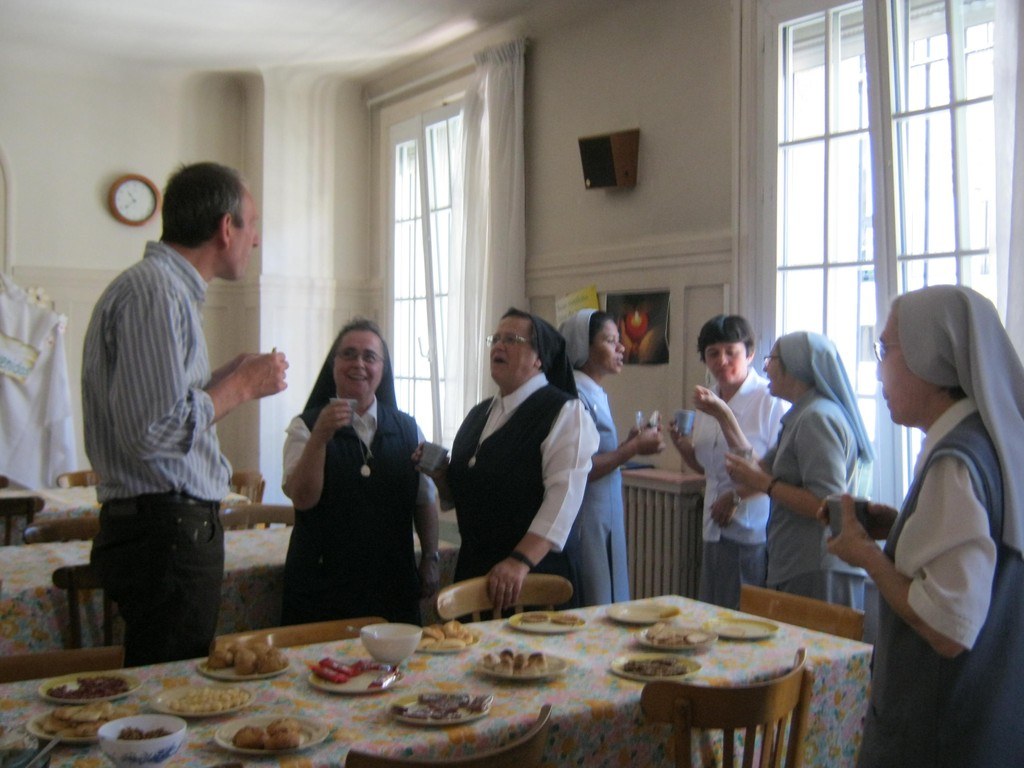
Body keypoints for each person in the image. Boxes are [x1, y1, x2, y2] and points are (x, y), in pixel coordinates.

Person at [84, 162, 289, 666]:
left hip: (164, 530)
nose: (256, 239)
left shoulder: (161, 290)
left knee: (168, 681)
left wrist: (225, 377)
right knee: (169, 689)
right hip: (166, 533)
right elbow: (154, 431)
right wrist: (241, 386)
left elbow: (163, 412)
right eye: (252, 224)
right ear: (225, 228)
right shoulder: (156, 292)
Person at [827, 286, 1024, 767]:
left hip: (939, 731)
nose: (879, 371)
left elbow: (948, 627)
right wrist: (900, 528)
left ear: (930, 357)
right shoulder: (989, 440)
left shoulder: (955, 460)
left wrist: (866, 554)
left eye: (886, 349)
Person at [425, 308, 599, 614]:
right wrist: (441, 475)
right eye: (495, 339)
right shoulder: (479, 414)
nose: (498, 346)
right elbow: (463, 494)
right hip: (476, 571)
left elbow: (563, 499)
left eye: (511, 340)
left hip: (532, 578)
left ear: (539, 358)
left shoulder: (565, 413)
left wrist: (520, 561)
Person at [281, 318, 439, 625]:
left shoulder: (409, 429)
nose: (359, 364)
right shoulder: (305, 427)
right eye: (349, 354)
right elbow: (303, 498)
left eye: (370, 356)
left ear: (383, 368)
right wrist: (319, 438)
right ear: (334, 364)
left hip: (392, 584)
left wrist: (431, 558)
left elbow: (425, 500)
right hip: (322, 584)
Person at [726, 331, 873, 608]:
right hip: (800, 563)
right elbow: (758, 471)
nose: (765, 368)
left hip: (817, 565)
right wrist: (724, 416)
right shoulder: (801, 416)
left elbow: (825, 503)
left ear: (795, 366)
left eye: (771, 360)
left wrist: (765, 484)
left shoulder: (817, 418)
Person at [668, 315, 787, 609]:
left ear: (749, 354)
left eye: (730, 352)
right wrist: (683, 447)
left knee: (741, 616)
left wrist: (736, 496)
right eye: (713, 353)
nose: (722, 361)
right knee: (712, 612)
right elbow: (708, 467)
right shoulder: (707, 399)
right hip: (712, 525)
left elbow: (777, 475)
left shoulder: (769, 400)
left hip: (752, 527)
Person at [559, 309, 664, 606]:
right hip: (587, 519)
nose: (621, 348)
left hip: (605, 514)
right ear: (583, 347)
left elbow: (600, 452)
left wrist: (629, 443)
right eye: (609, 341)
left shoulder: (594, 391)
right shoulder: (576, 395)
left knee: (610, 598)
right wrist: (633, 448)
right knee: (595, 603)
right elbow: (580, 467)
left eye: (619, 340)